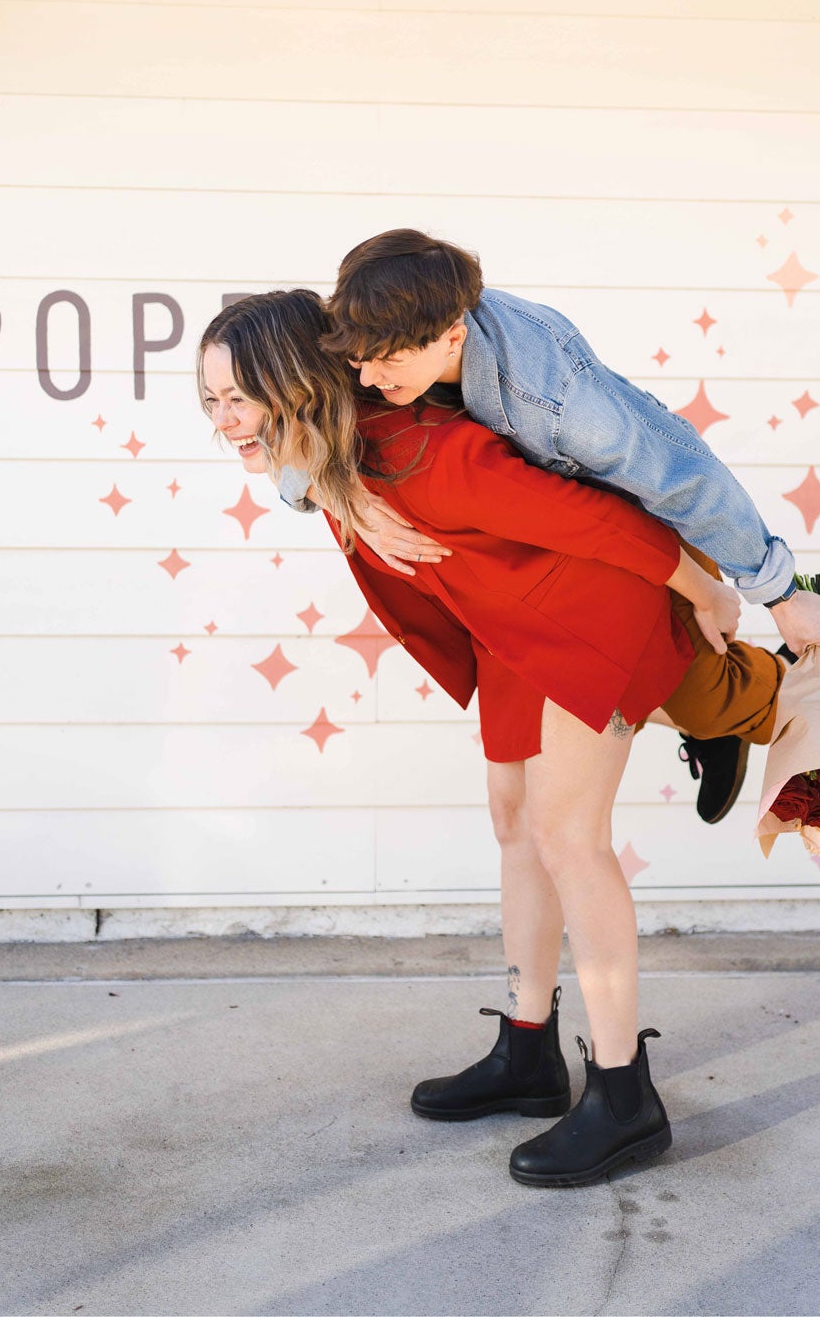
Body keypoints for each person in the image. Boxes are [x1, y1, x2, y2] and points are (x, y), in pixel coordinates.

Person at [200, 289, 729, 1186]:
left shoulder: (429, 454)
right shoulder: (331, 454)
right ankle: (528, 1051)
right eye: (209, 402)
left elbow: (603, 523)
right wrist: (335, 493)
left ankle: (624, 1095)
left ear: (297, 382)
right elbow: (297, 462)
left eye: (239, 398)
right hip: (517, 625)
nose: (225, 422)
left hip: (594, 613)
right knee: (514, 817)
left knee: (570, 837)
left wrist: (709, 591)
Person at [284, 229, 820, 824]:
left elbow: (681, 473)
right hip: (562, 553)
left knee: (700, 691)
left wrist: (781, 596)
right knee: (664, 686)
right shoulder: (374, 331)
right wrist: (326, 487)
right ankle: (719, 722)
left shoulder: (557, 401)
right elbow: (292, 413)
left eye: (389, 365)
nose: (368, 380)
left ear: (452, 336)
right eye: (357, 361)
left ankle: (768, 706)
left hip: (638, 521)